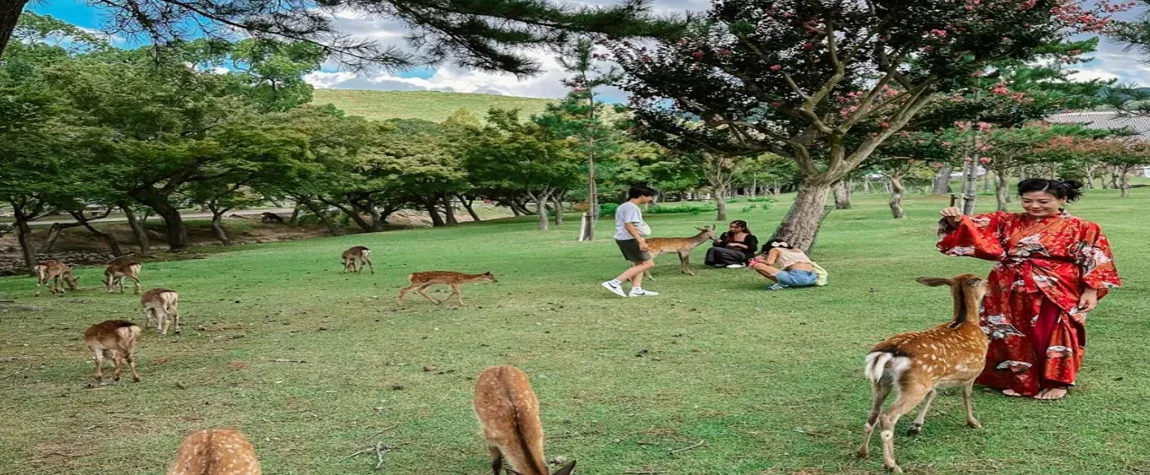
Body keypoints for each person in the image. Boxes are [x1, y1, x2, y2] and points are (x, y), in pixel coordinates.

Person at [937, 178, 1121, 400]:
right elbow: (974, 229)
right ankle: (1014, 379)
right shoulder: (1006, 220)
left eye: (1043, 201)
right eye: (1027, 201)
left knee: (1053, 330)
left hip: (1056, 286)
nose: (1034, 206)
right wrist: (956, 220)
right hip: (1007, 285)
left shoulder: (1084, 227)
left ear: (1062, 199)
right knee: (1007, 330)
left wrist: (1091, 290)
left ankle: (1057, 383)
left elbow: (1096, 258)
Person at [601, 186, 660, 298]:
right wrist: (641, 241)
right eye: (650, 196)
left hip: (625, 238)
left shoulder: (624, 206)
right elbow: (629, 225)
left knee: (639, 263)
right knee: (649, 263)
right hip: (629, 239)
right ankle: (614, 283)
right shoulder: (631, 208)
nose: (651, 199)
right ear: (642, 195)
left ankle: (636, 289)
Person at [749, 239, 822, 290]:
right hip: (812, 278)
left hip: (799, 278)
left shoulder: (775, 249)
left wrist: (759, 260)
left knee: (757, 265)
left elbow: (769, 263)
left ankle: (782, 284)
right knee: (785, 272)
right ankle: (784, 283)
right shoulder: (797, 250)